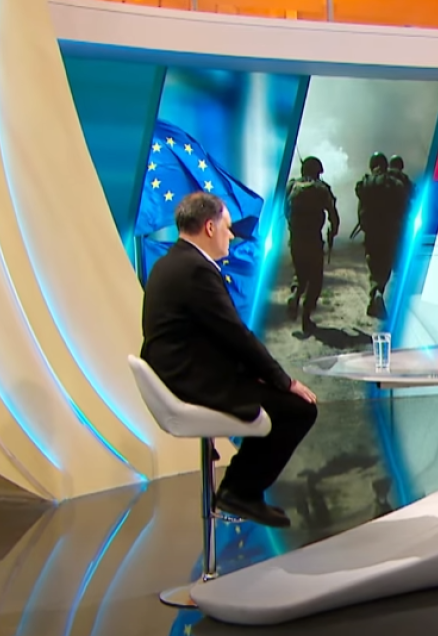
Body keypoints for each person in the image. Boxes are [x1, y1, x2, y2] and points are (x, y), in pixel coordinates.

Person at [141, 191, 319, 528]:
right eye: (227, 226)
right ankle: (240, 492)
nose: (232, 234)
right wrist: (284, 381)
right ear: (209, 228)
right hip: (190, 382)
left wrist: (254, 374)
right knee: (298, 408)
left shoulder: (171, 262)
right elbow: (236, 335)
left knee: (268, 393)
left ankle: (239, 488)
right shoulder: (196, 270)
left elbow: (211, 336)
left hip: (179, 373)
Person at [286, 156, 339, 332]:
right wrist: (333, 232)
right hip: (313, 240)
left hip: (296, 239)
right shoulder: (322, 189)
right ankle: (306, 317)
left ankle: (295, 295)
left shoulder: (292, 186)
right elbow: (333, 216)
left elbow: (285, 210)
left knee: (300, 274)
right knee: (315, 279)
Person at [356, 152, 409, 319]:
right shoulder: (395, 184)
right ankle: (378, 293)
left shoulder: (367, 183)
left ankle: (375, 296)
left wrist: (365, 226)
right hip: (390, 233)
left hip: (372, 234)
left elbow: (361, 209)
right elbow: (405, 209)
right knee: (385, 267)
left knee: (374, 266)